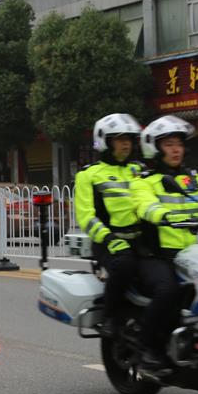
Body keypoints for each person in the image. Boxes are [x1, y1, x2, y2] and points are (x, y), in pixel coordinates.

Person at [130, 115, 198, 370]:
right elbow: (145, 207)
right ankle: (145, 347)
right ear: (155, 148)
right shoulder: (144, 182)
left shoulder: (191, 179)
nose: (176, 149)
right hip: (158, 255)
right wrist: (164, 215)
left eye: (179, 144)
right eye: (169, 144)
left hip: (194, 252)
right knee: (168, 291)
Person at [73, 113, 145, 337]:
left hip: (141, 239)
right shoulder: (89, 175)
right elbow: (86, 216)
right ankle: (110, 317)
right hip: (109, 242)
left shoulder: (140, 170)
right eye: (120, 139)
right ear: (105, 141)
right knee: (124, 266)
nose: (126, 144)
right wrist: (109, 239)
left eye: (129, 140)